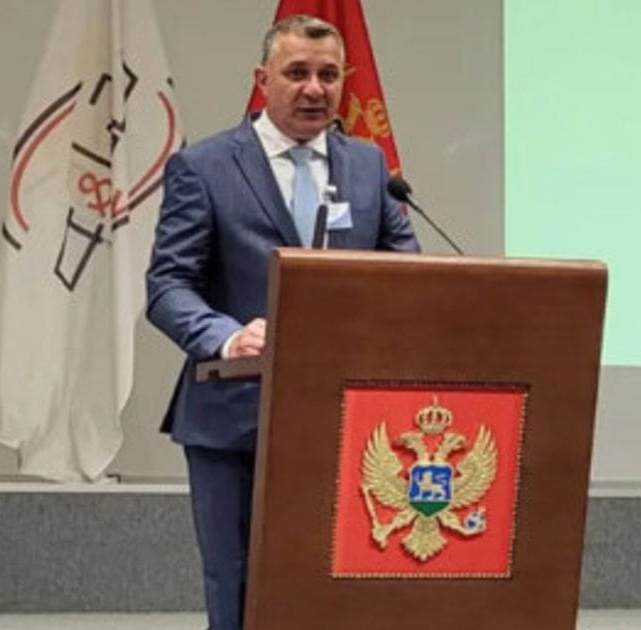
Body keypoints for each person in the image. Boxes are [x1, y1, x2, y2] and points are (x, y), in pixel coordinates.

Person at [144, 14, 419, 630]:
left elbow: (408, 278)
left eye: (329, 75)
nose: (315, 89)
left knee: (332, 584)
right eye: (297, 73)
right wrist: (227, 336)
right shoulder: (205, 166)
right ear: (262, 79)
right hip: (234, 416)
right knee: (239, 585)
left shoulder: (370, 167)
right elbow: (167, 286)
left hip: (349, 420)